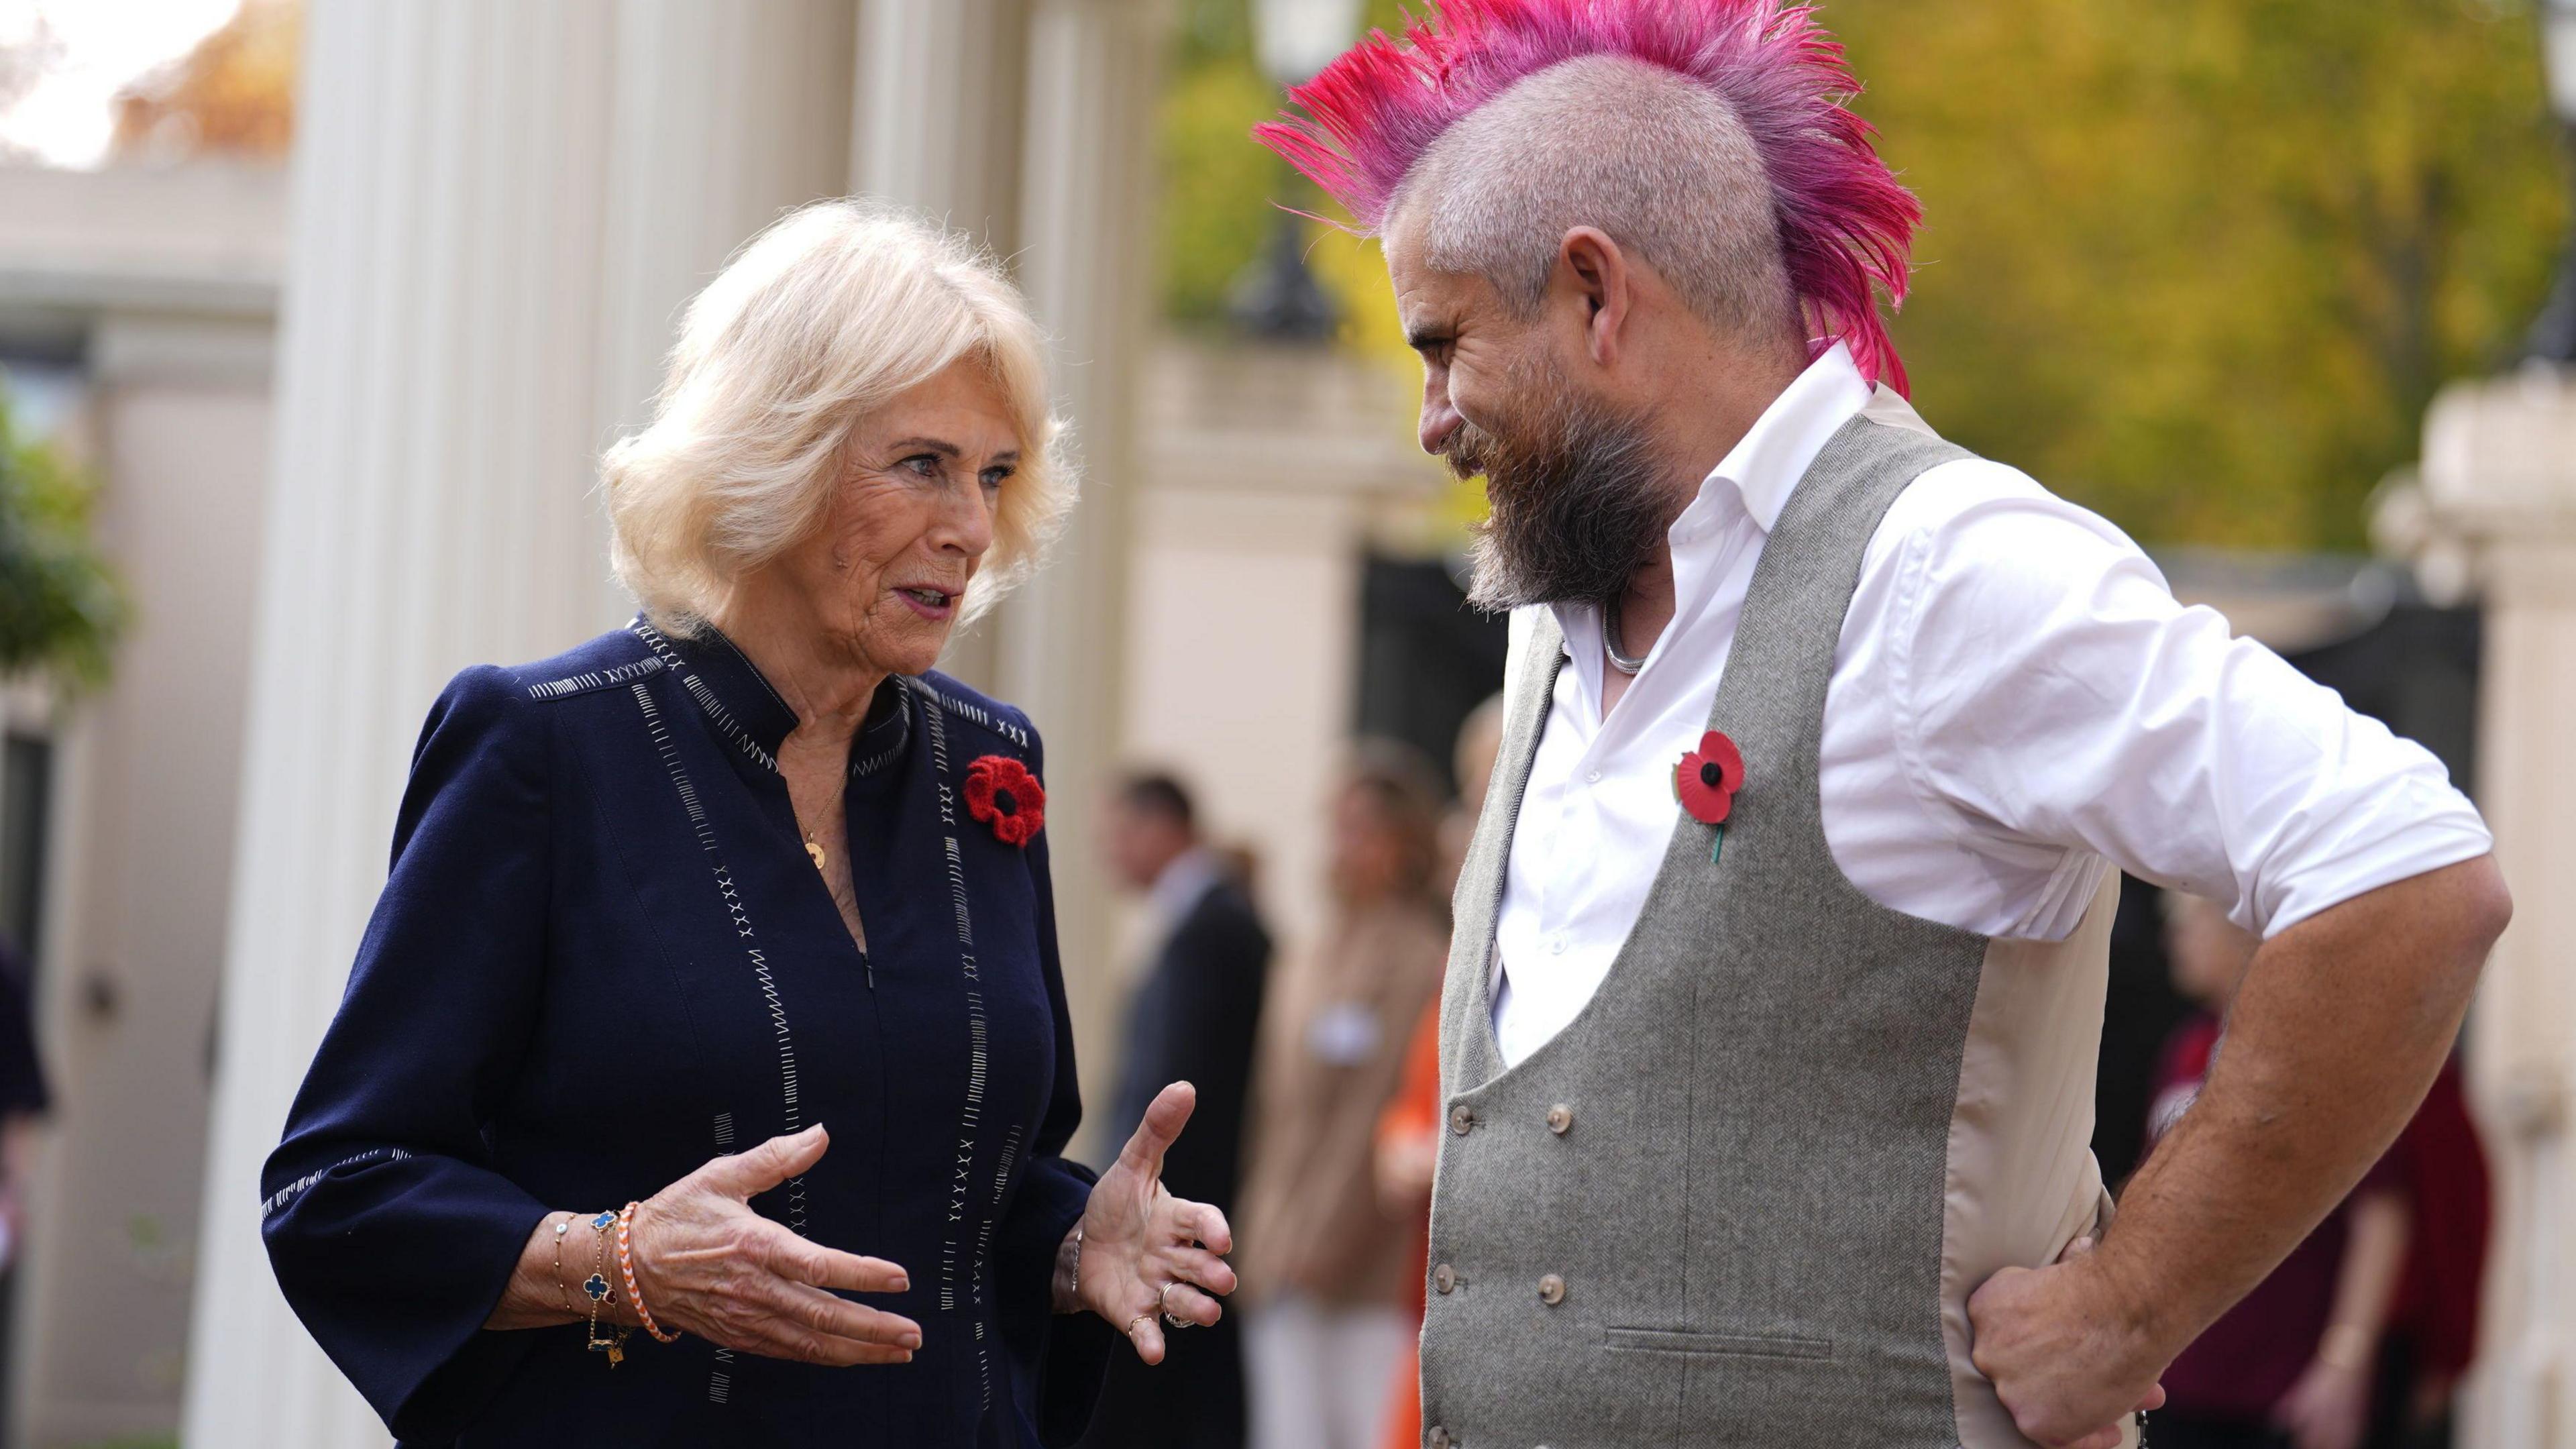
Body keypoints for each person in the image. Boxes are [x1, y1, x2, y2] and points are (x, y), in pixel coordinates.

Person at [1254, 5, 2512, 1448]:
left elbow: (2413, 870)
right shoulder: (1562, 608)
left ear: (1597, 298)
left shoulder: (1949, 571)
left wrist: (2129, 1310)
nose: (1431, 417)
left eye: (1445, 344)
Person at [260, 201, 1236, 1448]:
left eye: (994, 476)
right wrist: (621, 1261)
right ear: (775, 457)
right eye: (924, 464)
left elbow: (969, 1170)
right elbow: (341, 1192)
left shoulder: (988, 768)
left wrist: (1068, 1238)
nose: (973, 527)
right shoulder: (547, 746)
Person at [1236, 745, 1450, 1449]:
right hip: (1280, 1262)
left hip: (1370, 1273)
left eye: (1363, 829)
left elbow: (1376, 1116)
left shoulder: (1423, 958)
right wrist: (1265, 1238)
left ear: (1404, 842)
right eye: (1338, 826)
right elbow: (1277, 1114)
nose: (1343, 846)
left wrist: (1322, 1246)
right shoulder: (1305, 955)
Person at [2147, 894, 2412, 1449]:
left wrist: (2343, 1362)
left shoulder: (2317, 1047)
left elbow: (2380, 1216)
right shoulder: (2188, 1045)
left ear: (2240, 929)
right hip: (2184, 1371)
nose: (2174, 939)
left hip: (2281, 1376)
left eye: (2187, 923)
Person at [1079, 771, 1273, 1449]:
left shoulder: (1212, 925)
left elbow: (1177, 1087)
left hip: (1181, 1208)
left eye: (1120, 835)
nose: (1111, 854)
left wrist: (1131, 1189)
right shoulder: (1195, 917)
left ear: (1161, 828)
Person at [1375, 693, 1510, 1449]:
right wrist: (1398, 1146)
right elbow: (1413, 1100)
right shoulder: (1461, 954)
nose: (1470, 829)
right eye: (1472, 798)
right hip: (1433, 1302)